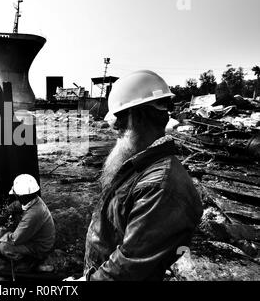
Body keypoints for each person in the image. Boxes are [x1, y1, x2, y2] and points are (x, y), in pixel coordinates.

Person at [76, 70, 203, 281]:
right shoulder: (143, 165)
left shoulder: (159, 187)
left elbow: (130, 268)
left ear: (136, 116)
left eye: (118, 118)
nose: (115, 126)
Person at [0, 174, 55, 265]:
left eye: (16, 195)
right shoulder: (32, 199)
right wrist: (4, 215)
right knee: (14, 225)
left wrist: (1, 232)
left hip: (41, 246)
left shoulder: (33, 215)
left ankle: (26, 261)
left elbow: (15, 239)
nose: (16, 197)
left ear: (21, 196)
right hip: (40, 236)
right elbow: (16, 205)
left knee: (4, 247)